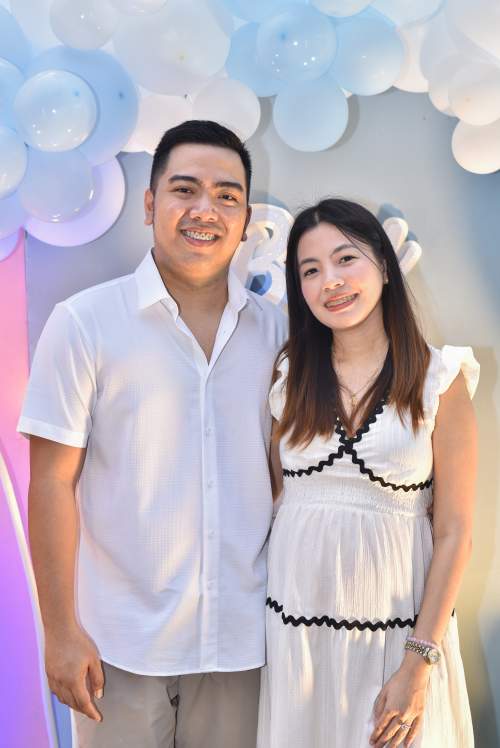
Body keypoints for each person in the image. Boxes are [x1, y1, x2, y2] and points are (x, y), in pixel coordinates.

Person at [18, 120, 287, 748]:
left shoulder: (279, 333)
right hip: (116, 644)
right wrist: (60, 631)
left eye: (226, 195)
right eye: (184, 189)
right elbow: (51, 484)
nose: (205, 210)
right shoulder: (84, 323)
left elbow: (286, 475)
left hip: (243, 641)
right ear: (150, 205)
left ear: (245, 219)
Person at [257, 198, 478, 747]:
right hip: (297, 642)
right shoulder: (288, 378)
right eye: (310, 270)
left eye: (345, 259)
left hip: (400, 647)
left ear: (382, 264)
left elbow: (454, 532)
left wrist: (418, 664)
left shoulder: (440, 378)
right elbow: (273, 500)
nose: (330, 281)